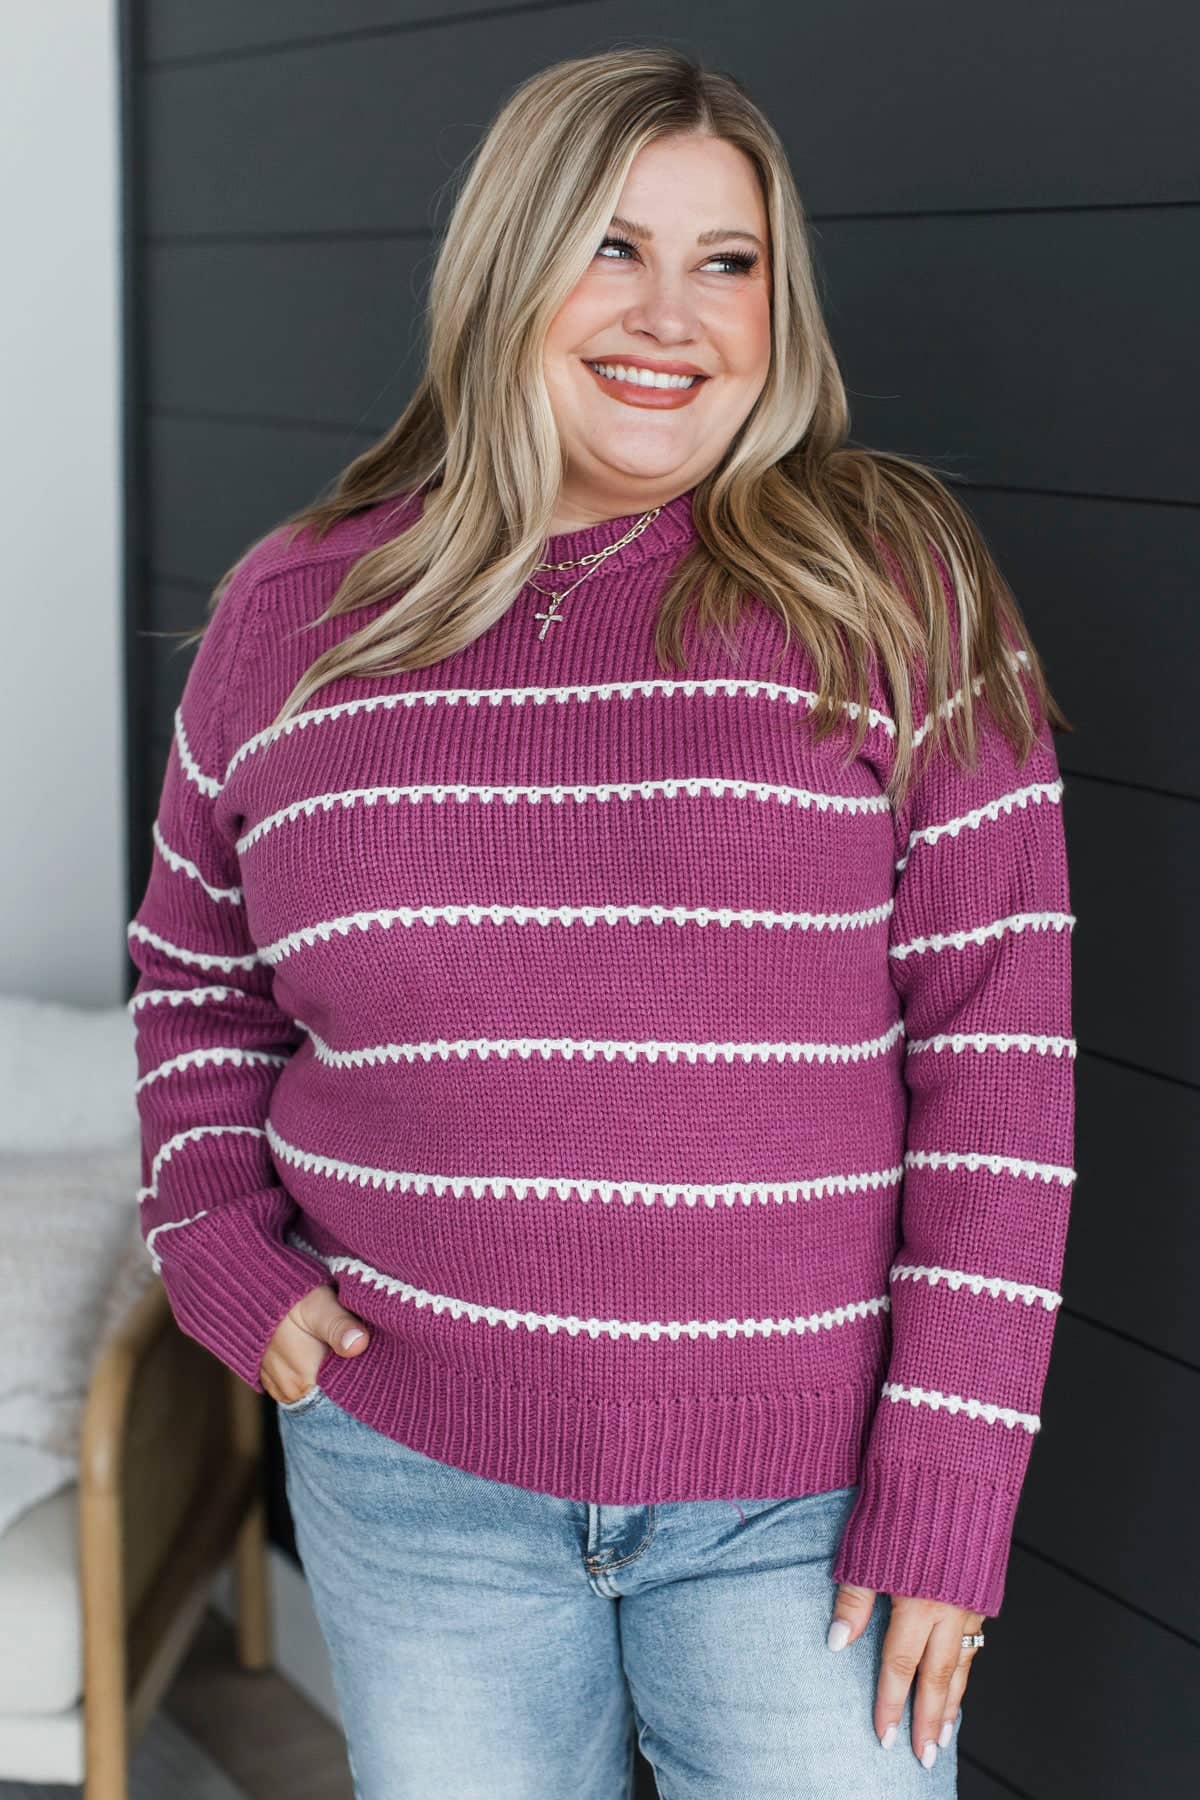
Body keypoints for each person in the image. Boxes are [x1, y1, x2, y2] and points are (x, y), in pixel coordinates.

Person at [126, 45, 1075, 1800]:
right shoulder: (294, 614)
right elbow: (195, 990)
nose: (673, 316)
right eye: (611, 247)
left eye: (729, 261)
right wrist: (218, 1250)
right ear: (506, 267)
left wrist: (951, 1481)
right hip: (413, 1478)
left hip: (807, 1510)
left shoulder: (896, 590)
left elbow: (999, 1066)